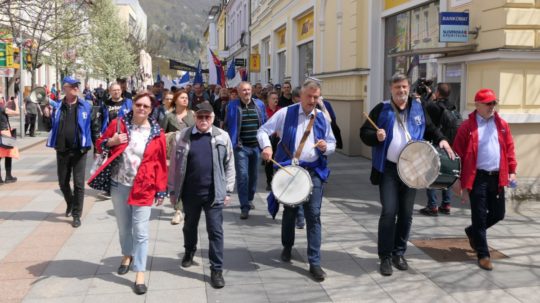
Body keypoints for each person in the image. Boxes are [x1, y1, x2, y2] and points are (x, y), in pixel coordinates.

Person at [360, 73, 453, 276]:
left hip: (412, 169)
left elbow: (430, 129)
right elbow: (364, 133)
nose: (401, 91)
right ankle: (384, 256)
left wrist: (443, 140)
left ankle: (398, 253)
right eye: (397, 88)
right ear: (391, 90)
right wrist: (375, 136)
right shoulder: (382, 109)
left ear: (408, 87)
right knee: (388, 212)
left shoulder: (418, 107)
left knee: (406, 214)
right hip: (390, 169)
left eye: (404, 87)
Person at [89, 91, 167, 295]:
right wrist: (111, 142)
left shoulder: (157, 132)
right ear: (133, 105)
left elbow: (160, 162)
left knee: (140, 231)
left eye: (146, 106)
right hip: (119, 184)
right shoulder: (119, 124)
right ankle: (127, 254)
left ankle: (139, 271)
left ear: (151, 110)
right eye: (139, 104)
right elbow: (99, 144)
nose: (141, 108)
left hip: (144, 186)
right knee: (124, 228)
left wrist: (161, 189)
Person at [258, 79, 336, 281]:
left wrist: (325, 147)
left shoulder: (322, 118)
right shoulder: (285, 113)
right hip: (290, 170)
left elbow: (333, 142)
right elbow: (263, 131)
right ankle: (287, 246)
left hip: (314, 171)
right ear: (300, 95)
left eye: (316, 97)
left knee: (314, 214)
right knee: (290, 211)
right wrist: (266, 147)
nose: (312, 100)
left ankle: (315, 262)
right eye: (309, 96)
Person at [168, 101, 235, 289]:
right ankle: (189, 251)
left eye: (207, 117)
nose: (204, 120)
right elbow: (173, 165)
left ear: (213, 118)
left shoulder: (222, 137)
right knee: (190, 226)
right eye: (200, 116)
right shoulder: (183, 136)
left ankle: (216, 269)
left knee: (215, 231)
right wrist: (173, 191)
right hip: (190, 193)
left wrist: (228, 190)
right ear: (194, 117)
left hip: (214, 193)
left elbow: (230, 164)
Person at [453, 88, 517, 271]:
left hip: (497, 178)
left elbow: (509, 149)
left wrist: (512, 170)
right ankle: (483, 254)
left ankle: (472, 232)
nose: (491, 107)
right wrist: (457, 180)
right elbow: (456, 154)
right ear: (477, 105)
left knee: (499, 214)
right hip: (477, 178)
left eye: (493, 103)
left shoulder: (502, 124)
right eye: (488, 103)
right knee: (479, 217)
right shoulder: (467, 127)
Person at [47, 76, 94, 228]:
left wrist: (98, 146)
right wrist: (47, 115)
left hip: (80, 150)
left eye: (77, 85)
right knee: (62, 182)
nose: (76, 87)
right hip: (62, 149)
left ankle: (76, 215)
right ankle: (71, 202)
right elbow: (49, 126)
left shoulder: (86, 105)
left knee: (79, 184)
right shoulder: (58, 106)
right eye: (72, 85)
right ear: (65, 88)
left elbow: (93, 126)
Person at [224, 82, 267, 219]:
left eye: (248, 89)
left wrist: (265, 144)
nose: (247, 92)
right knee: (243, 176)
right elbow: (228, 124)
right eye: (244, 90)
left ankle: (249, 198)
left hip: (255, 146)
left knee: (253, 176)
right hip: (241, 147)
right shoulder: (232, 105)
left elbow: (265, 124)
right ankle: (244, 206)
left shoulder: (259, 105)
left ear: (252, 90)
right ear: (238, 92)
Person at [420, 83, 460, 216]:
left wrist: (427, 95)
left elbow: (423, 108)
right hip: (450, 145)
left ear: (437, 92)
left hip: (436, 143)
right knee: (447, 173)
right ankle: (446, 204)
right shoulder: (453, 107)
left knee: (431, 174)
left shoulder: (433, 105)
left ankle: (432, 206)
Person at [160, 91, 195, 225]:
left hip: (192, 152)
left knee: (190, 181)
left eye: (187, 98)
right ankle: (178, 210)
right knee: (178, 181)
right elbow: (161, 136)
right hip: (176, 154)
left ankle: (189, 206)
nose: (185, 100)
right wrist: (171, 135)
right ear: (175, 100)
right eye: (182, 98)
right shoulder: (169, 117)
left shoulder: (193, 115)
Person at [0, 93, 20, 184]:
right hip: (5, 133)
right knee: (8, 154)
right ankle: (8, 176)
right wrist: (16, 103)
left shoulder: (3, 108)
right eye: (2, 97)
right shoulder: (2, 108)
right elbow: (17, 112)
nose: (3, 99)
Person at [263, 91, 280, 191]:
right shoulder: (264, 111)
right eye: (273, 98)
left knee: (279, 160)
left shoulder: (281, 110)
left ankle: (278, 181)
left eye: (277, 98)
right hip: (268, 138)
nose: (276, 100)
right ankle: (269, 182)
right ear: (268, 100)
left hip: (279, 139)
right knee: (269, 161)